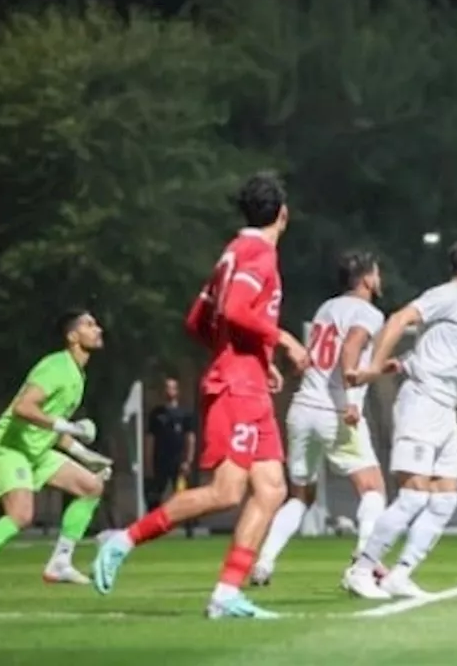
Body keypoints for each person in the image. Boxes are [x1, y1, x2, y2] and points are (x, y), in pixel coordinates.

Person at [93, 172, 310, 619]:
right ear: (283, 214)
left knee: (271, 490)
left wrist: (256, 357)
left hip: (246, 380)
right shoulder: (258, 254)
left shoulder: (231, 253)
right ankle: (124, 538)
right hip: (236, 388)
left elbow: (198, 320)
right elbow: (233, 311)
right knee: (226, 493)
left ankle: (226, 594)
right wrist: (281, 340)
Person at [343, 239, 457, 600]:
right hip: (421, 403)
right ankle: (361, 569)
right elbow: (400, 318)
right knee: (413, 497)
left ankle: (399, 575)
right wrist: (374, 366)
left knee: (444, 499)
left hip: (445, 410)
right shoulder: (448, 295)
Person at [252, 250, 397, 586]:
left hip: (303, 408)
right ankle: (365, 562)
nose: (380, 279)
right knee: (372, 488)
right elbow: (349, 349)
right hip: (334, 410)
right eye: (376, 273)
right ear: (366, 278)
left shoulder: (326, 308)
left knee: (300, 496)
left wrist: (373, 371)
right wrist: (349, 398)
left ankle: (264, 562)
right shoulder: (368, 313)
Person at [0, 309, 113, 586]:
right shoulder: (55, 367)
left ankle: (60, 563)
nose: (98, 329)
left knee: (92, 486)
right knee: (21, 515)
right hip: (8, 447)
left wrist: (85, 455)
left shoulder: (78, 375)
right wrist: (69, 428)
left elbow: (50, 428)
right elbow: (23, 407)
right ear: (73, 336)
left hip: (35, 451)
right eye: (90, 325)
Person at [145, 376, 197, 513]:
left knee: (182, 494)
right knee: (155, 495)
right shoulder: (156, 414)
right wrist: (149, 463)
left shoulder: (185, 414)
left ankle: (188, 528)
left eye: (172, 388)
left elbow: (190, 438)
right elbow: (150, 440)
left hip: (178, 461)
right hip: (160, 461)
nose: (169, 391)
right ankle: (152, 527)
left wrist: (188, 461)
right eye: (166, 388)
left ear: (177, 391)